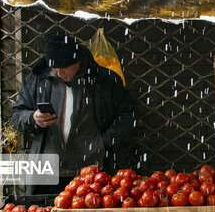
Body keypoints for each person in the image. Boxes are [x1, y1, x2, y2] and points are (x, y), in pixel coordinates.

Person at [12, 31, 137, 194]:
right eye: (54, 68)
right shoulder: (36, 80)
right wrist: (32, 118)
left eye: (64, 67)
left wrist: (103, 143)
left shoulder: (105, 81)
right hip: (47, 172)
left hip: (93, 172)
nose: (59, 73)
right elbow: (17, 115)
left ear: (77, 61)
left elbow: (128, 115)